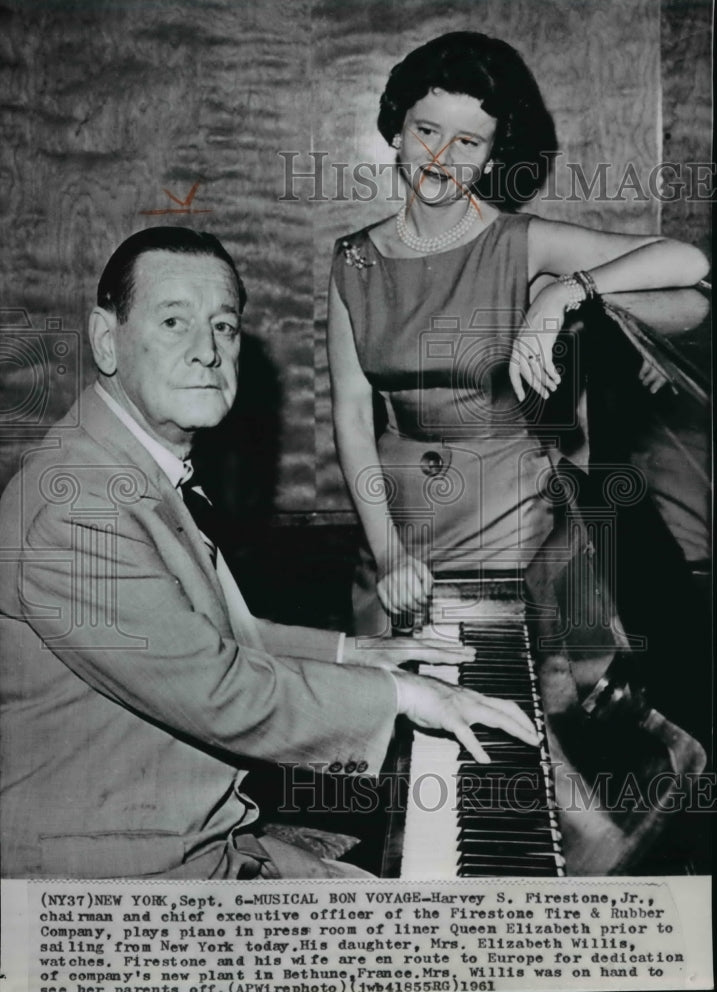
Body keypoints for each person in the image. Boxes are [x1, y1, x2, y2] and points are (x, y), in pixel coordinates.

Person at [0, 226, 538, 880]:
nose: (206, 351)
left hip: (196, 841)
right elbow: (217, 689)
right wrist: (399, 695)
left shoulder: (126, 462)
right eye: (174, 322)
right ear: (107, 340)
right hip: (111, 879)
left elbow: (215, 638)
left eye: (223, 327)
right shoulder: (75, 509)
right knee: (447, 941)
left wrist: (354, 653)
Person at [328, 31, 709, 636]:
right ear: (396, 129)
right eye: (426, 130)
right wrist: (388, 551)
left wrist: (564, 292)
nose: (440, 157)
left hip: (508, 508)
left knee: (510, 695)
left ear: (493, 154)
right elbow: (351, 414)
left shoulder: (518, 241)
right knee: (397, 698)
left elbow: (688, 263)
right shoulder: (353, 259)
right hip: (395, 516)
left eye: (468, 142)